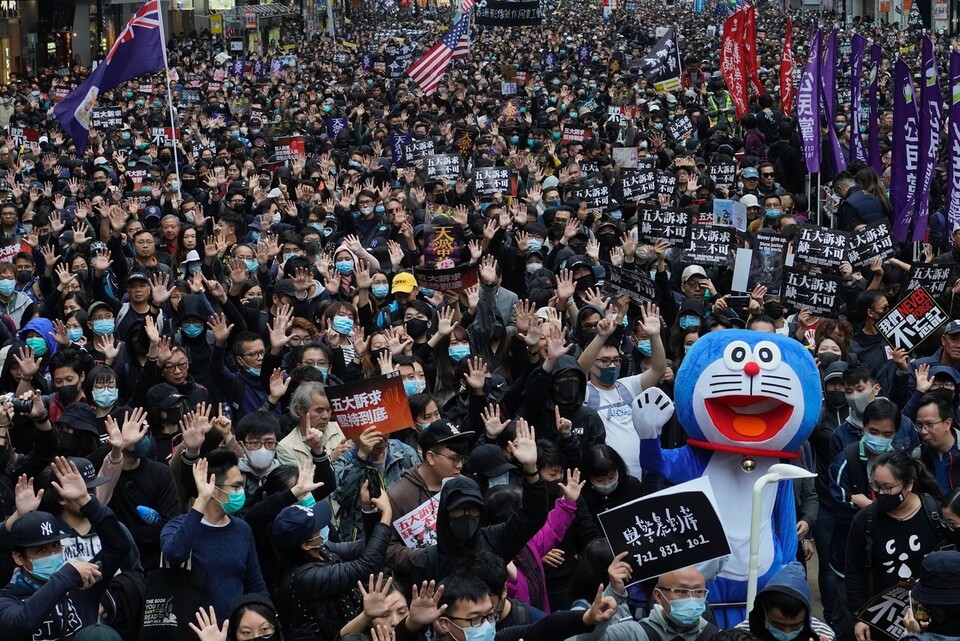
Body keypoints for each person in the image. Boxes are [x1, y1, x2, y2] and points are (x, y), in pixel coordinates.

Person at [0, 458, 132, 639]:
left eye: (55, 546)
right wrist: (67, 575)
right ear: (18, 558)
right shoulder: (8, 600)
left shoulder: (83, 585)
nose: (52, 554)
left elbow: (119, 545)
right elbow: (20, 624)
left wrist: (85, 500)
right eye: (41, 551)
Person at [844, 451, 947, 641]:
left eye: (888, 487)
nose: (881, 493)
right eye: (876, 486)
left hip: (932, 619)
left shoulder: (935, 514)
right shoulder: (865, 520)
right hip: (881, 619)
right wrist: (859, 616)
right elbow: (853, 572)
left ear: (909, 485)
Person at [272, 482, 393, 641]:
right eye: (316, 527)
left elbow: (367, 549)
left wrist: (368, 510)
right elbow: (365, 565)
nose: (322, 526)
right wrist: (386, 516)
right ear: (306, 544)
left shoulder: (321, 549)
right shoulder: (304, 577)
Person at [160, 450, 267, 621]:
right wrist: (202, 499)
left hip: (235, 630)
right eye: (235, 486)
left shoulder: (242, 529)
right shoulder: (177, 526)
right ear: (214, 490)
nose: (241, 492)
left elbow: (255, 584)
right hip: (193, 632)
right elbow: (174, 554)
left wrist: (268, 619)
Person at [606, 565, 719, 641]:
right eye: (681, 591)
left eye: (698, 592)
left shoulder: (716, 636)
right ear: (659, 596)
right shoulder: (633, 634)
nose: (691, 598)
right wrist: (611, 594)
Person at [737, 563, 835, 641]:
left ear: (806, 616)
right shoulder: (741, 635)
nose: (786, 633)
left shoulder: (823, 634)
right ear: (764, 611)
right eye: (778, 625)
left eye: (795, 625)